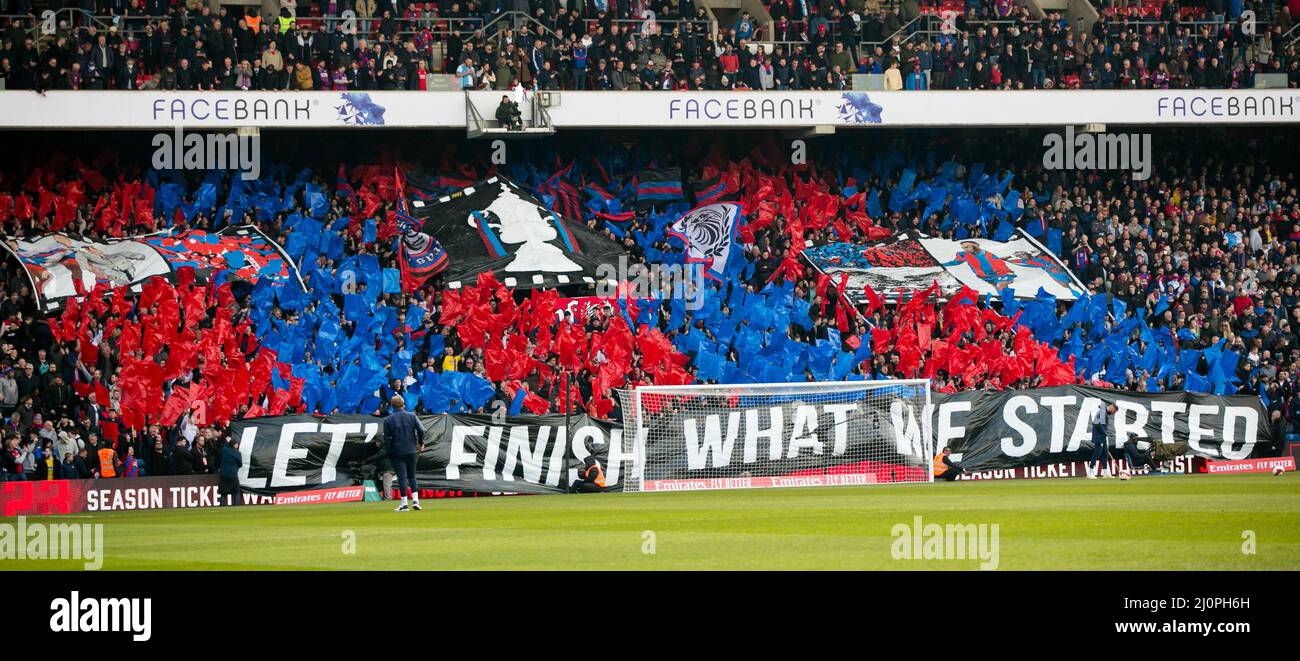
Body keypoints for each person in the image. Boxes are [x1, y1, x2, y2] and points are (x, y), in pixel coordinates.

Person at [381, 395, 424, 512]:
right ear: (403, 404)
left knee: (402, 477)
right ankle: (416, 501)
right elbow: (421, 430)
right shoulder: (412, 416)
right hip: (411, 450)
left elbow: (386, 439)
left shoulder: (388, 420)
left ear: (392, 405)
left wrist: (389, 452)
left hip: (397, 451)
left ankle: (404, 504)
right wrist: (421, 442)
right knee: (412, 476)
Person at [1087, 403, 1117, 479]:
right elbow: (1096, 424)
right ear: (1112, 408)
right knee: (1097, 453)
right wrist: (1104, 433)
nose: (1113, 413)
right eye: (1114, 412)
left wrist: (1104, 434)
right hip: (1099, 437)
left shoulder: (1104, 413)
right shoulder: (1102, 412)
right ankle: (1090, 472)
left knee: (1105, 454)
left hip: (1103, 437)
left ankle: (1105, 473)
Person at [219, 437, 243, 506]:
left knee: (223, 492)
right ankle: (236, 506)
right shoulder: (237, 453)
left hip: (223, 474)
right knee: (236, 491)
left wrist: (226, 440)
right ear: (235, 445)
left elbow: (224, 445)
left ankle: (222, 506)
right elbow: (240, 464)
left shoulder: (224, 450)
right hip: (233, 474)